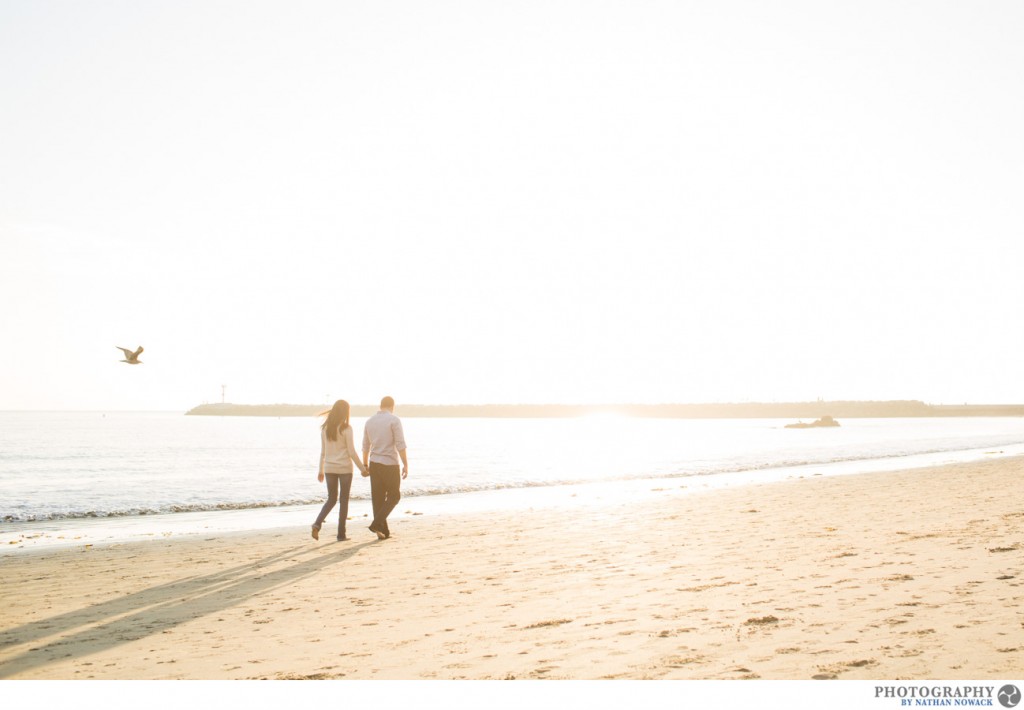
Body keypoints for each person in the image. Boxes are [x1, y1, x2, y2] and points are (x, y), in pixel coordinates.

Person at [312, 399, 368, 541]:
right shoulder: (346, 428)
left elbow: (322, 452)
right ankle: (341, 534)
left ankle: (317, 524)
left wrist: (320, 470)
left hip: (329, 468)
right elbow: (351, 452)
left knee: (331, 499)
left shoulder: (325, 429)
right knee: (344, 501)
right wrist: (362, 469)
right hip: (344, 469)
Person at [362, 395, 408, 539]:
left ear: (380, 405)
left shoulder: (369, 421)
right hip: (390, 464)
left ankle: (384, 532)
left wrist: (365, 464)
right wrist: (405, 464)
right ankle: (376, 524)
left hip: (374, 463)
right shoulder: (394, 420)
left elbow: (365, 445)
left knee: (378, 498)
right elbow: (400, 444)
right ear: (392, 406)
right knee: (394, 496)